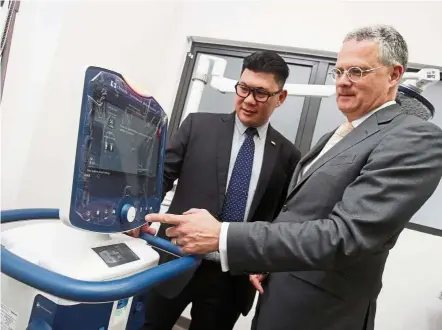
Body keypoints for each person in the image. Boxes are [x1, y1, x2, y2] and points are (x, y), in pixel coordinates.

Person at [145, 25, 442, 330]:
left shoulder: (413, 137)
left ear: (394, 75)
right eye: (338, 71)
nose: (342, 82)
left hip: (307, 308)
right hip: (184, 263)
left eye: (356, 71)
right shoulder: (334, 137)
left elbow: (345, 235)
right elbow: (296, 216)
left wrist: (223, 236)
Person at [138, 50, 301, 330]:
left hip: (231, 276)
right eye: (244, 88)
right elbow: (159, 178)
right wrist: (138, 215)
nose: (249, 100)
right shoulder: (198, 126)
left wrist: (266, 262)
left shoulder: (288, 154)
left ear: (280, 98)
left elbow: (278, 217)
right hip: (175, 257)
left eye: (261, 93)